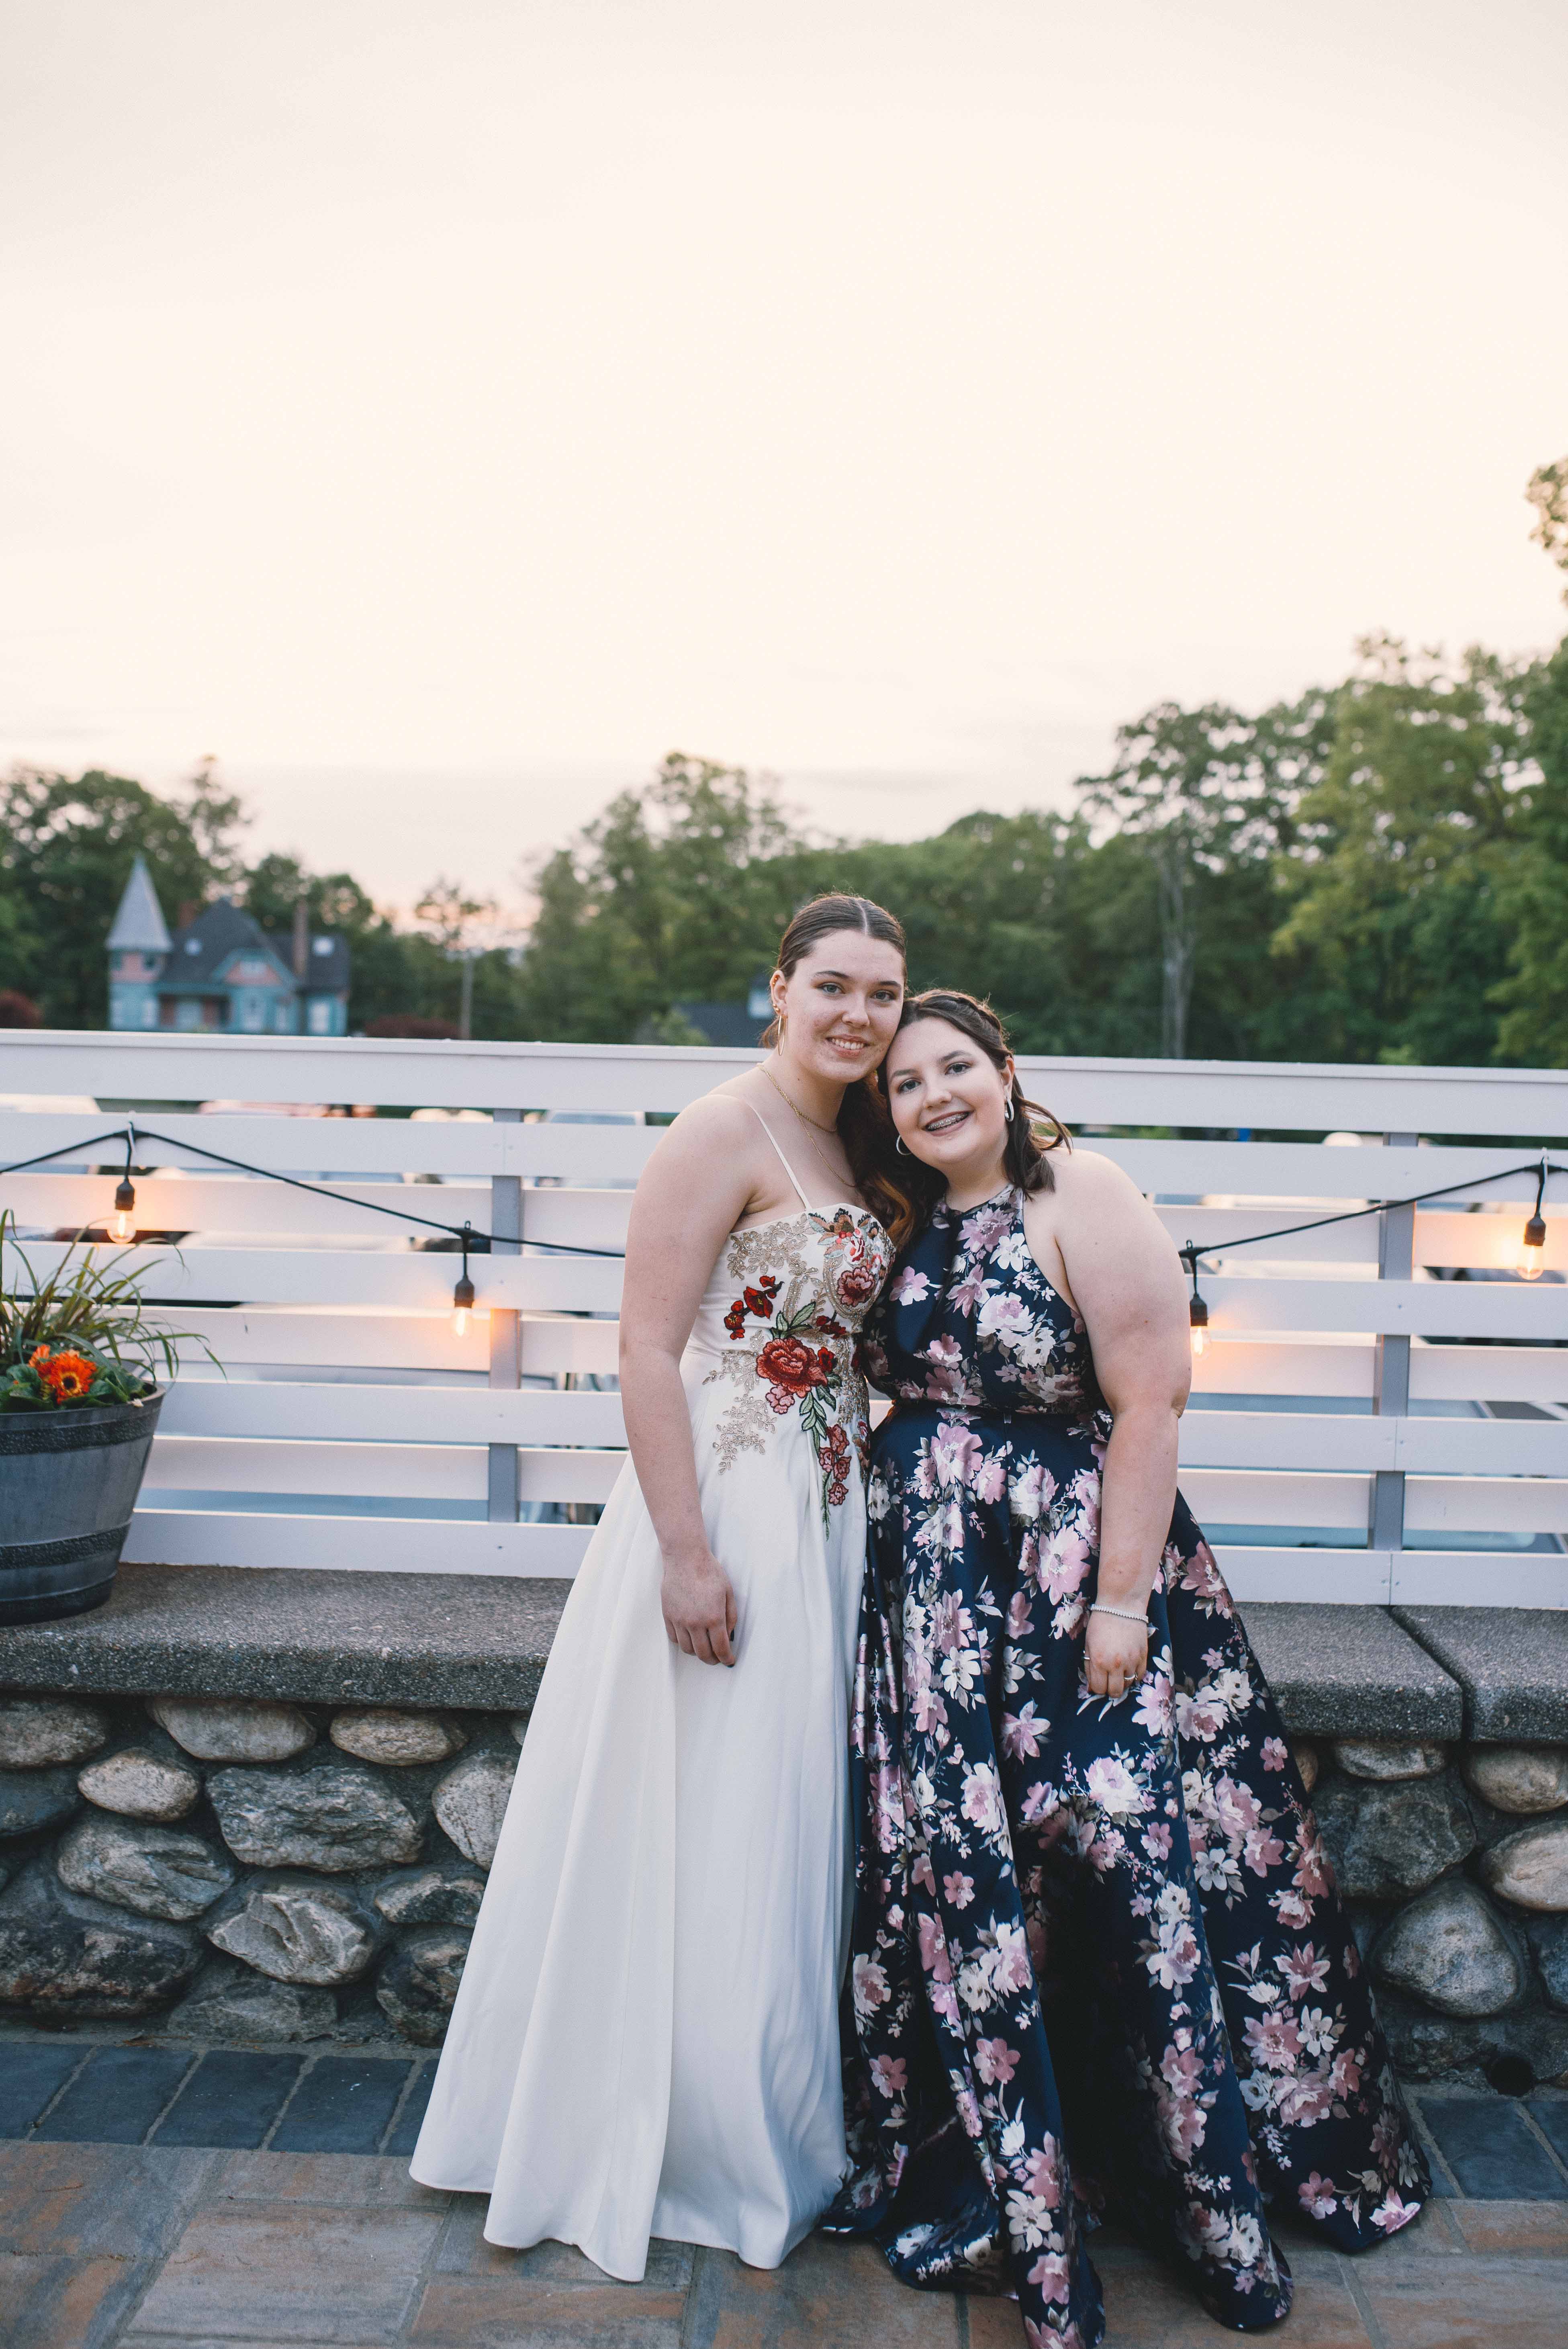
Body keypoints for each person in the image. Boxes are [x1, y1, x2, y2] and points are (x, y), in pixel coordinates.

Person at [826, 990, 1428, 2347]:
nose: (932, 1095)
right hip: (935, 1606)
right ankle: (1007, 2160)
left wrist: (1120, 1607)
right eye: (907, 1081)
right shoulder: (905, 1217)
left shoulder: (1078, 1190)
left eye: (956, 1068)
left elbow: (1152, 1400)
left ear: (1004, 1072)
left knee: (1115, 1859)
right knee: (978, 1874)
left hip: (1073, 1583)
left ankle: (1184, 2180)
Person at [411, 895, 907, 2279]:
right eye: (834, 987)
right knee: (700, 1806)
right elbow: (643, 1349)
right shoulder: (718, 1128)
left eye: (882, 992)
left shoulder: (852, 1134)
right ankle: (669, 2136)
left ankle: (761, 2113)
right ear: (780, 988)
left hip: (819, 1511)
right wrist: (688, 1552)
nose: (859, 1015)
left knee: (777, 1814)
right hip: (723, 1503)